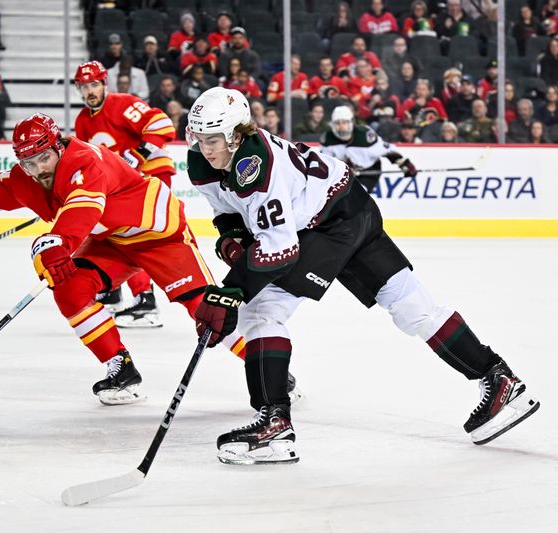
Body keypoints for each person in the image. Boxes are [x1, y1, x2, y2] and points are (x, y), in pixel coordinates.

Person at [185, 87, 540, 464]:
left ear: (238, 134)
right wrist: (232, 238)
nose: (206, 148)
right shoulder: (203, 163)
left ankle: (274, 424)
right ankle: (500, 378)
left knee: (261, 312)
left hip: (324, 228)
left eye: (214, 140)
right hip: (352, 206)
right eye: (199, 138)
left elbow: (279, 249)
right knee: (411, 306)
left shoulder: (255, 166)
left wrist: (230, 293)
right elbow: (227, 211)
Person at [0, 112, 247, 406]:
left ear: (58, 146)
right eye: (28, 163)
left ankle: (265, 367)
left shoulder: (85, 162)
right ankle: (119, 367)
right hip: (110, 239)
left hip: (158, 234)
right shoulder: (26, 177)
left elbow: (84, 209)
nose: (38, 170)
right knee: (69, 288)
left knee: (208, 310)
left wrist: (54, 244)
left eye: (43, 159)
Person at [73, 60, 176, 327]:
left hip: (151, 176)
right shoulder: (83, 121)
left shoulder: (122, 104)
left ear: (104, 84)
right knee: (106, 232)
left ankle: (145, 300)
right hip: (125, 185)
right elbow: (89, 160)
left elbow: (162, 124)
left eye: (94, 84)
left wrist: (137, 154)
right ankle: (113, 289)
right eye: (84, 87)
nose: (89, 91)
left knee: (130, 235)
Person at [321, 105, 417, 191]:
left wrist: (404, 164)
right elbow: (326, 163)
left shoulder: (364, 135)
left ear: (351, 122)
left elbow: (386, 151)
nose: (341, 126)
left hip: (368, 170)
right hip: (344, 174)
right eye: (337, 123)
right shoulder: (328, 139)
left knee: (358, 193)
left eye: (344, 122)